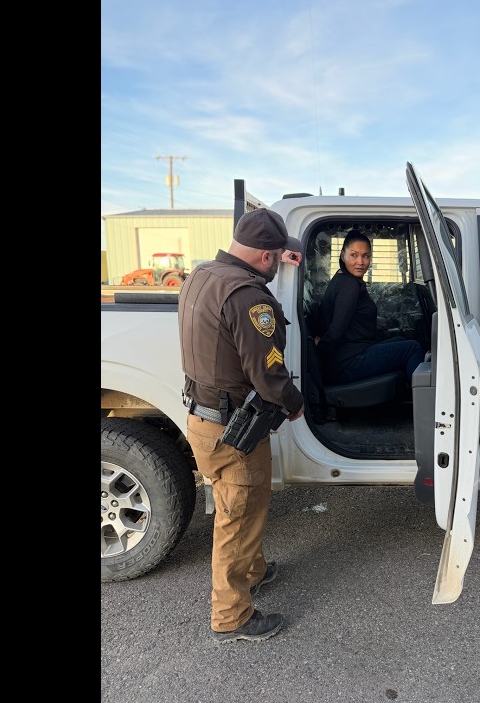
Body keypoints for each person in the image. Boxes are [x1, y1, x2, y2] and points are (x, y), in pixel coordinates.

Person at [177, 208, 304, 644]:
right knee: (235, 515)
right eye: (276, 259)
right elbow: (268, 377)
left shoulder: (202, 276)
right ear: (266, 257)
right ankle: (231, 616)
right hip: (233, 432)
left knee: (249, 502)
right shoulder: (250, 298)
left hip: (204, 419)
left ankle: (254, 571)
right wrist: (294, 403)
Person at [316, 230, 425, 387]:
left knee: (402, 340)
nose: (360, 261)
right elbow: (336, 329)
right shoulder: (349, 285)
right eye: (354, 255)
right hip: (347, 363)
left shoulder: (343, 279)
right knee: (413, 348)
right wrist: (321, 349)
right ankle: (425, 406)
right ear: (342, 255)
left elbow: (349, 315)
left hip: (350, 354)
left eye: (366, 256)